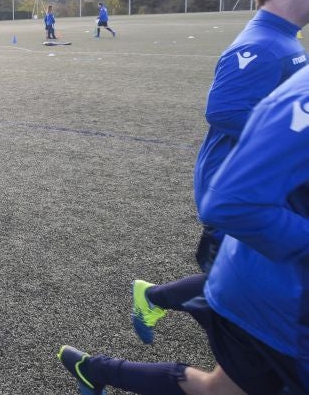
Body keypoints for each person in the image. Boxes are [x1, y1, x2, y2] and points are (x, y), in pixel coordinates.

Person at [58, 63, 309, 395]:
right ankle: (147, 304)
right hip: (277, 298)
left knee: (216, 389)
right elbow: (229, 191)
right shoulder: (271, 55)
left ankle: (97, 366)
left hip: (266, 289)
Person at [193, 0, 309, 272]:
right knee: (231, 299)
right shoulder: (261, 46)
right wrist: (294, 142)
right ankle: (156, 298)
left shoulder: (285, 38)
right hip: (237, 187)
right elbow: (223, 111)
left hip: (269, 184)